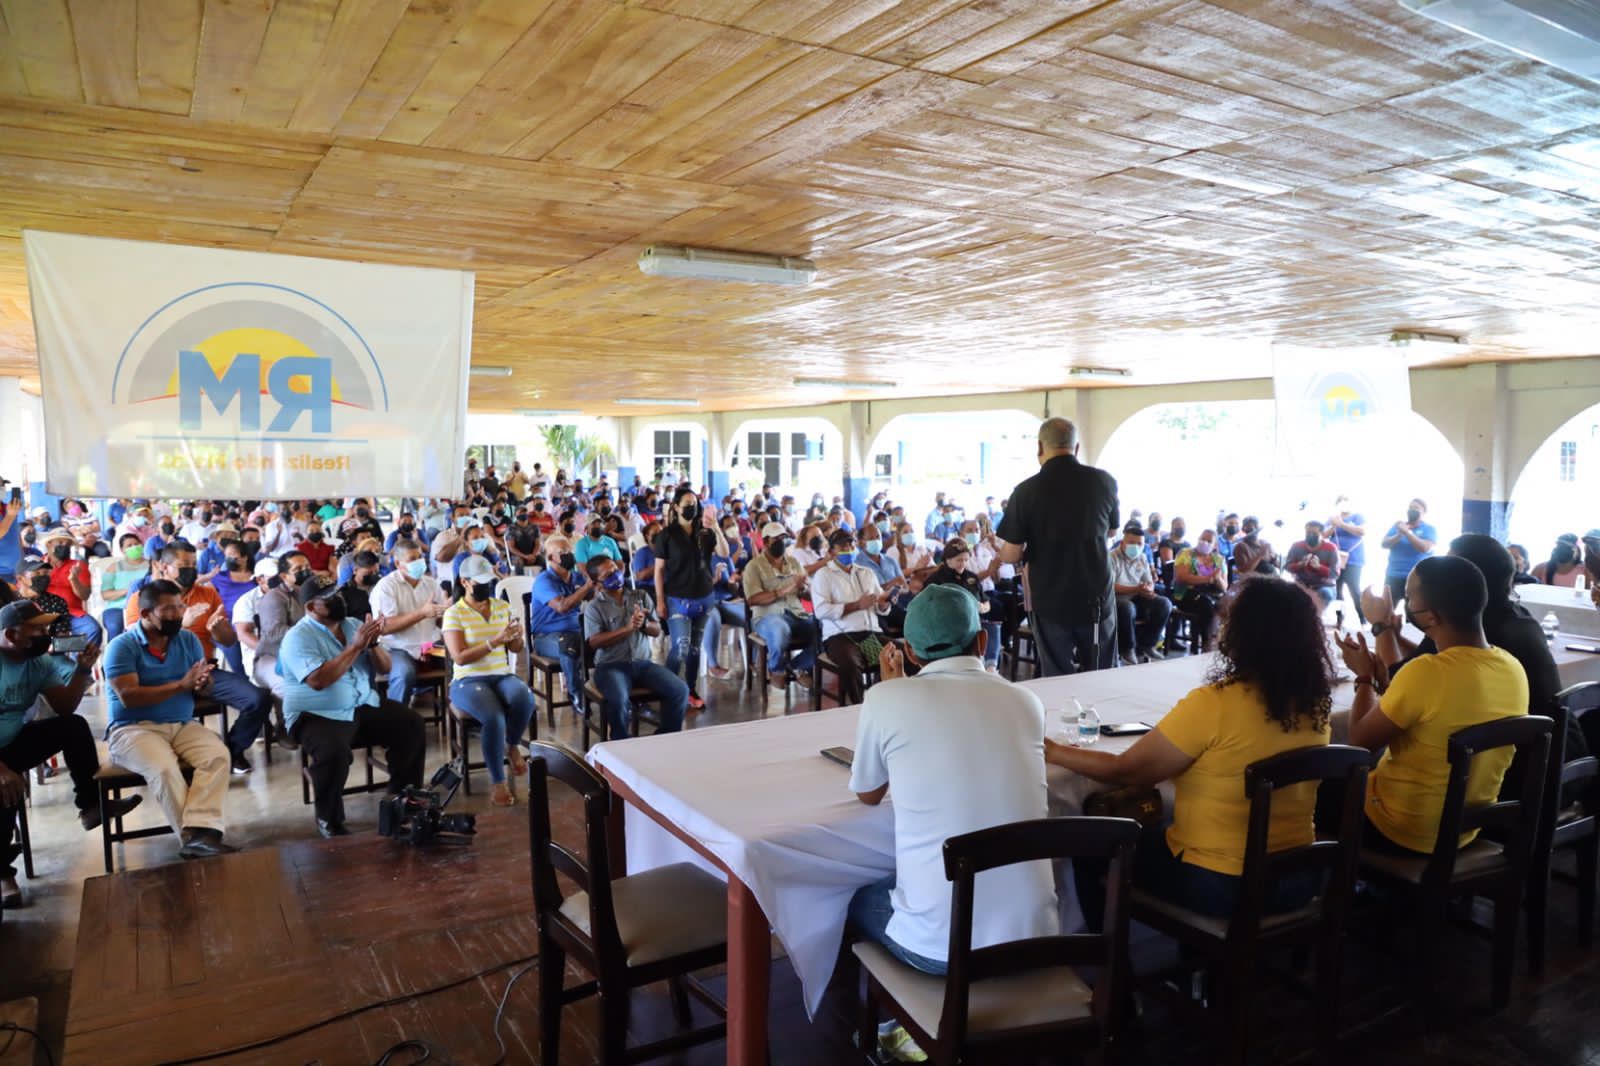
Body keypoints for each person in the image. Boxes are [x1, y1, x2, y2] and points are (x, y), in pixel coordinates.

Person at [847, 585, 1057, 1062]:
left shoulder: (887, 699)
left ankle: (898, 1031)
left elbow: (867, 792)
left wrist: (892, 687)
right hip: (1038, 936)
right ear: (982, 642)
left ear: (913, 651)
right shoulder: (1026, 703)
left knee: (856, 898)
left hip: (944, 950)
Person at [1048, 578, 1332, 919]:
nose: (1221, 628)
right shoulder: (1315, 702)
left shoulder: (1217, 704)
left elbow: (1127, 771)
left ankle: (1112, 966)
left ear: (1244, 634)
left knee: (1092, 844)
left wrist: (1054, 751)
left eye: (1228, 620)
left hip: (1224, 883)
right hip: (1300, 876)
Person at [1337, 555, 1528, 856]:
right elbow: (1431, 708)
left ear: (1430, 617)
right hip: (1464, 828)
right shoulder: (1512, 667)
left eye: (1410, 597)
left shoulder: (1427, 671)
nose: (1407, 603)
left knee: (1312, 789)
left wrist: (1362, 677)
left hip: (1402, 829)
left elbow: (1359, 743)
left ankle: (1337, 895)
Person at [0, 602, 140, 906]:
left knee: (73, 726)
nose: (45, 635)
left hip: (12, 742)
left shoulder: (35, 662)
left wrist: (82, 669)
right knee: (5, 790)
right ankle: (4, 875)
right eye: (37, 629)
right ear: (11, 633)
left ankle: (90, 805)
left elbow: (64, 707)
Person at [278, 580, 426, 836]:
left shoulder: (353, 625)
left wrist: (372, 644)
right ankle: (329, 819)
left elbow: (385, 668)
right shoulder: (297, 637)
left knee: (411, 723)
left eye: (340, 595)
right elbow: (318, 681)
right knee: (332, 751)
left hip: (359, 704)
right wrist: (355, 647)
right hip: (316, 713)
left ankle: (401, 799)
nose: (341, 601)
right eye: (331, 598)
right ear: (312, 606)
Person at [103, 581, 236, 859]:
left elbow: (202, 685)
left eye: (179, 607)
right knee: (164, 768)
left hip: (181, 723)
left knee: (218, 755)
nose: (177, 614)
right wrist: (181, 684)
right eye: (168, 609)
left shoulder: (188, 640)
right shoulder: (121, 647)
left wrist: (203, 683)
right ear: (145, 614)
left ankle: (201, 830)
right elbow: (129, 697)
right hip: (132, 729)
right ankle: (192, 838)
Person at [125, 542, 274, 773]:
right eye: (183, 565)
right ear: (164, 567)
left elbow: (228, 641)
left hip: (204, 669)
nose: (191, 570)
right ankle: (162, 761)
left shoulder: (207, 593)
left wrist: (218, 629)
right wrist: (180, 626)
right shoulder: (142, 598)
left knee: (258, 698)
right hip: (158, 673)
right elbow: (134, 642)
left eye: (193, 565)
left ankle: (232, 751)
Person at [996, 417, 1119, 675]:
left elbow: (1012, 552)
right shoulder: (1104, 482)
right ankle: (1106, 716)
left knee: (1057, 677)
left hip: (1051, 598)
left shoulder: (1026, 491)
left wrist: (1003, 554)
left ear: (1040, 448)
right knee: (1102, 673)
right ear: (1075, 448)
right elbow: (1112, 531)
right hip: (1095, 595)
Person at [442, 556, 535, 808]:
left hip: (500, 674)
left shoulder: (501, 607)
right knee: (493, 717)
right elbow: (459, 657)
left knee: (524, 697)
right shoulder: (454, 613)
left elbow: (515, 648)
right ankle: (497, 781)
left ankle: (512, 745)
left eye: (488, 581)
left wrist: (517, 637)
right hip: (467, 680)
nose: (486, 587)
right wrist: (494, 641)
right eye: (479, 582)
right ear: (465, 582)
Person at [582, 556, 688, 742]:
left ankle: (664, 740)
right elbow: (594, 642)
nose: (615, 575)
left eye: (615, 569)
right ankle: (620, 743)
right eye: (608, 574)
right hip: (611, 667)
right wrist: (628, 629)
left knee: (680, 690)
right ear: (598, 583)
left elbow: (657, 630)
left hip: (642, 664)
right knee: (619, 699)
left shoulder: (640, 596)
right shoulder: (594, 607)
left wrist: (644, 624)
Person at [653, 487, 719, 710]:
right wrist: (660, 601)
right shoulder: (666, 536)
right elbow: (659, 571)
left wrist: (716, 527)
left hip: (704, 597)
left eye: (695, 503)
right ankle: (667, 688)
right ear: (676, 507)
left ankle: (690, 689)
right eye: (687, 504)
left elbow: (726, 553)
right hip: (677, 599)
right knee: (680, 646)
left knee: (694, 649)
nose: (692, 507)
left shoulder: (705, 532)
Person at [811, 529, 893, 705]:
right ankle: (858, 709)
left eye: (851, 544)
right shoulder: (824, 575)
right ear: (832, 552)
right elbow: (821, 611)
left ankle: (883, 702)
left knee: (901, 654)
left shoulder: (866, 573)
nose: (849, 549)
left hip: (870, 633)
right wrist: (856, 605)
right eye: (843, 546)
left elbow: (878, 604)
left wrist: (883, 604)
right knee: (850, 663)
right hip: (840, 636)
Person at [741, 522, 819, 690]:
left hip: (796, 614)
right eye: (776, 539)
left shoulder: (793, 563)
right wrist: (785, 590)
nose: (781, 543)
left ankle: (795, 666)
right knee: (779, 629)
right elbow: (753, 599)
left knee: (826, 629)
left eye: (783, 538)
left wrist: (804, 588)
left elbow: (805, 594)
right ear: (766, 541)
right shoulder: (754, 566)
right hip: (767, 616)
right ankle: (776, 670)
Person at [372, 540, 449, 706]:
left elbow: (440, 621)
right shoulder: (386, 586)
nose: (419, 562)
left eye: (420, 556)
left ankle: (459, 719)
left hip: (430, 647)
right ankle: (398, 721)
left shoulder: (431, 583)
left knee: (457, 662)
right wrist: (421, 613)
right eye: (412, 558)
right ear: (399, 563)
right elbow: (384, 627)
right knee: (404, 674)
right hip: (398, 648)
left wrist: (448, 612)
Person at [529, 536, 593, 715]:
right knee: (569, 644)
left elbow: (594, 595)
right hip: (547, 637)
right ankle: (576, 695)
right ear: (550, 558)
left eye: (569, 551)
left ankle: (608, 691)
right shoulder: (544, 581)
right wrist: (586, 588)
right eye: (563, 553)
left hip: (577, 631)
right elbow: (562, 607)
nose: (569, 555)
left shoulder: (577, 577)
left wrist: (597, 586)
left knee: (604, 638)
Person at [923, 536, 1002, 671]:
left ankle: (991, 667)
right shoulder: (935, 580)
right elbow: (928, 607)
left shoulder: (971, 577)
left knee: (993, 627)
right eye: (959, 560)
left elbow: (985, 601)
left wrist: (983, 608)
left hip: (974, 621)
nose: (963, 564)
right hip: (948, 624)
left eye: (965, 560)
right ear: (948, 560)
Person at [249, 551, 311, 700]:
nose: (305, 571)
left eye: (307, 567)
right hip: (273, 656)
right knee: (288, 687)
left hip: (307, 655)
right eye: (298, 569)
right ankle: (289, 723)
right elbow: (275, 633)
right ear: (284, 576)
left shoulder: (312, 593)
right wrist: (313, 635)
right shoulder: (275, 597)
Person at [1109, 520, 1171, 665]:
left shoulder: (1142, 557)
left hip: (1138, 596)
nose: (1136, 547)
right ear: (1123, 542)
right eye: (1132, 542)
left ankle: (1148, 644)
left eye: (1140, 544)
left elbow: (1148, 582)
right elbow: (1110, 586)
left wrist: (1149, 590)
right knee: (1127, 607)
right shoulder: (1111, 557)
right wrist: (1136, 588)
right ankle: (1128, 649)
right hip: (1116, 599)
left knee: (1164, 603)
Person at [1171, 531, 1228, 652]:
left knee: (1226, 604)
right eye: (1203, 539)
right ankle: (1206, 643)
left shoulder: (1219, 559)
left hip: (1212, 593)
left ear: (1214, 545)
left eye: (1209, 541)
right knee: (1206, 605)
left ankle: (1221, 642)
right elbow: (1182, 577)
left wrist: (1217, 579)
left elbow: (1224, 587)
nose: (1205, 543)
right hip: (1186, 593)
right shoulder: (1185, 553)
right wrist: (1208, 578)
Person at [40, 529, 99, 646]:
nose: (65, 546)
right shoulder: (37, 564)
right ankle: (62, 650)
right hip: (43, 612)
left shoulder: (78, 565)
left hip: (72, 613)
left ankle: (77, 660)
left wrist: (74, 579)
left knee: (92, 629)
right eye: (61, 542)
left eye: (68, 544)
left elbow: (84, 596)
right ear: (49, 544)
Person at [1380, 498, 1436, 605]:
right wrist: (1399, 534)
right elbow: (1384, 544)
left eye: (1416, 508)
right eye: (1410, 507)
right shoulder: (1398, 526)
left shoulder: (1429, 529)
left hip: (1416, 578)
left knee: (1413, 614)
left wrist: (1408, 533)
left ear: (1423, 512)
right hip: (1393, 575)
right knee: (1386, 610)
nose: (1412, 510)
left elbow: (1425, 548)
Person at [99, 533, 149, 641]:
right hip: (118, 608)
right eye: (129, 546)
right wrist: (128, 591)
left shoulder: (151, 565)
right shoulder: (114, 567)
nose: (134, 547)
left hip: (146, 606)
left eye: (136, 544)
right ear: (122, 550)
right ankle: (114, 655)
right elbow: (105, 594)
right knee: (115, 627)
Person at [1328, 496, 1367, 621]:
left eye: (1346, 501)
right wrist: (1333, 526)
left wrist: (1342, 524)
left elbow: (1362, 531)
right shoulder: (1333, 518)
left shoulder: (1358, 517)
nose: (1343, 504)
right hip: (1335, 558)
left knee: (1354, 589)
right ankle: (1339, 618)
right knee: (1336, 589)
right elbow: (1323, 534)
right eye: (1340, 502)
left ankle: (1363, 619)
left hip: (1354, 559)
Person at [1285, 520, 1341, 607]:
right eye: (1308, 532)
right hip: (1301, 584)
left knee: (1324, 594)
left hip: (1324, 586)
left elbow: (1335, 574)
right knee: (1285, 592)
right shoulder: (1296, 546)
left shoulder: (1331, 548)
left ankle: (1316, 618)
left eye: (1314, 533)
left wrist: (1319, 567)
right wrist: (1300, 565)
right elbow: (1287, 566)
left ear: (1322, 534)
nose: (1310, 535)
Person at [1229, 515, 1274, 581]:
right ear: (1244, 529)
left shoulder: (1264, 543)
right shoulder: (1241, 546)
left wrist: (1274, 558)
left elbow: (1276, 564)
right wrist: (1260, 555)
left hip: (1271, 579)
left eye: (1256, 526)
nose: (1254, 529)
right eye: (1251, 527)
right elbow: (1244, 571)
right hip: (1254, 583)